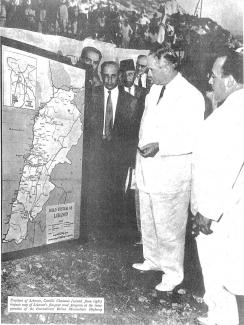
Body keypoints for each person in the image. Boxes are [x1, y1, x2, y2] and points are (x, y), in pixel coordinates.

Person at [133, 45, 205, 292]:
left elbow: (192, 138)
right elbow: (146, 127)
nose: (148, 73)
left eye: (151, 68)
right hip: (147, 167)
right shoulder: (154, 90)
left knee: (170, 227)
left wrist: (160, 146)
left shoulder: (191, 95)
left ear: (168, 66)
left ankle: (173, 274)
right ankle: (152, 260)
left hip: (171, 172)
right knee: (149, 220)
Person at [191, 50, 244, 325]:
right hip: (225, 207)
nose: (209, 80)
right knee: (219, 274)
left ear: (231, 80)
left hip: (221, 211)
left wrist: (207, 212)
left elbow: (226, 167)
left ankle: (223, 320)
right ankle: (218, 316)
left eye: (214, 75)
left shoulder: (234, 113)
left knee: (220, 270)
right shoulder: (231, 107)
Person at [85, 61, 139, 237]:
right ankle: (94, 230)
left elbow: (132, 133)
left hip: (118, 156)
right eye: (106, 75)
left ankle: (111, 234)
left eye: (113, 76)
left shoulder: (130, 101)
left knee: (115, 193)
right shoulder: (91, 95)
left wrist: (130, 160)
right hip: (96, 152)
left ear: (119, 75)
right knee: (95, 190)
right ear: (101, 74)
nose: (109, 80)